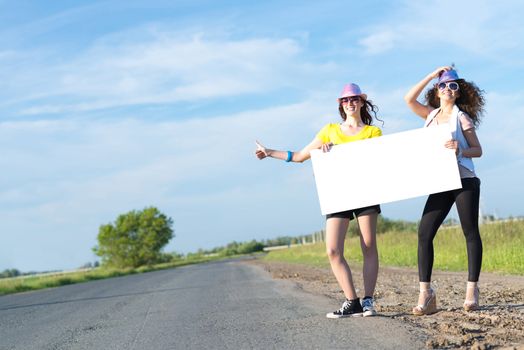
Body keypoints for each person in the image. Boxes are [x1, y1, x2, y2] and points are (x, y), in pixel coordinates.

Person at [255, 83, 383, 318]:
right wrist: (270, 152)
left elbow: (375, 161)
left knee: (368, 245)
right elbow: (302, 156)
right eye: (345, 100)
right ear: (340, 105)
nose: (350, 103)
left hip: (365, 191)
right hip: (337, 192)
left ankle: (367, 301)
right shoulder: (329, 130)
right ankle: (351, 301)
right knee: (333, 250)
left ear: (362, 102)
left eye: (354, 99)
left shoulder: (373, 133)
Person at [404, 66, 485, 315]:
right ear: (437, 91)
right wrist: (431, 75)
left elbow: (477, 150)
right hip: (440, 182)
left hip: (463, 179)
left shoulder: (462, 118)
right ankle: (426, 293)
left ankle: (472, 290)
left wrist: (460, 149)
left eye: (453, 86)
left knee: (469, 231)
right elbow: (408, 99)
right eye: (443, 85)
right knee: (424, 232)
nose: (448, 89)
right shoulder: (429, 115)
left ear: (458, 93)